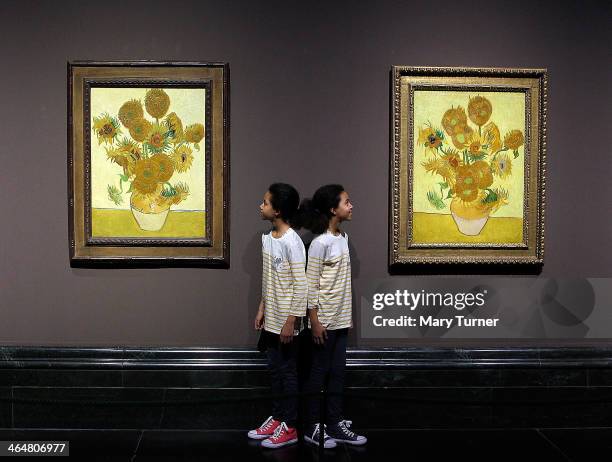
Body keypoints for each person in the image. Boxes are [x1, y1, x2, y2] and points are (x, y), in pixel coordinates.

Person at [295, 184, 367, 448]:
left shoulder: (343, 238)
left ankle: (334, 423)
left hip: (340, 320)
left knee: (337, 372)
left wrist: (346, 317)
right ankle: (313, 426)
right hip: (322, 321)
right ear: (333, 209)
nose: (351, 205)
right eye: (347, 202)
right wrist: (314, 321)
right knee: (318, 372)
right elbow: (310, 284)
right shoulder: (319, 244)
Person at [247, 183, 307, 449]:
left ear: (278, 210)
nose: (261, 206)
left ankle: (290, 426)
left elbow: (301, 285)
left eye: (265, 202)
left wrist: (291, 321)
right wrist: (261, 308)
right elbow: (269, 279)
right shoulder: (267, 238)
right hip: (270, 318)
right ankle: (278, 417)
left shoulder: (293, 242)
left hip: (286, 322)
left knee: (288, 372)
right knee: (274, 370)